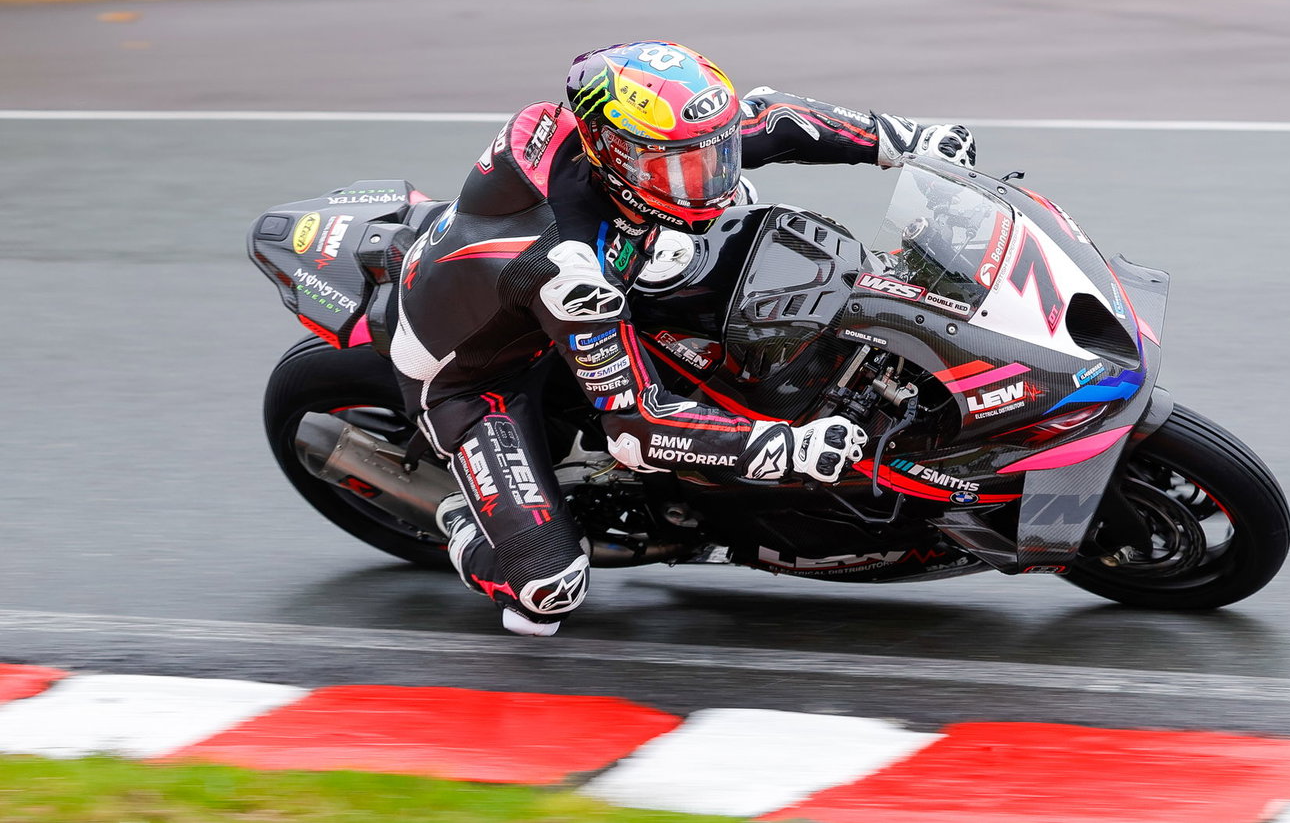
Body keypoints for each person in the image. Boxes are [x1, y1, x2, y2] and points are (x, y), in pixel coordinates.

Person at [389, 40, 977, 636]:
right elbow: (635, 428)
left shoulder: (637, 139)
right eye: (681, 167)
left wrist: (906, 141)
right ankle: (466, 518)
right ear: (613, 153)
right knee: (546, 591)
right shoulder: (568, 267)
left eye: (715, 154)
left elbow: (770, 119)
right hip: (479, 376)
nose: (710, 177)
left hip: (570, 284)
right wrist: (787, 447)